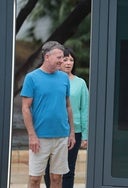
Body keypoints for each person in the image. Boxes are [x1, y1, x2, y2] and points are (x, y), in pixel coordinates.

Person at [21, 41, 76, 188]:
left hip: (61, 137)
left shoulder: (64, 78)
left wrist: (71, 133)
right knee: (34, 179)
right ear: (47, 56)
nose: (62, 60)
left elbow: (68, 106)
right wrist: (32, 135)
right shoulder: (32, 78)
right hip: (39, 138)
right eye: (59, 57)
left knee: (57, 178)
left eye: (62, 57)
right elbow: (25, 108)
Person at [44, 47, 89, 188]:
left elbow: (85, 110)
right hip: (52, 130)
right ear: (58, 61)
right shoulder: (51, 80)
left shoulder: (80, 83)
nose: (69, 63)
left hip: (74, 131)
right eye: (65, 59)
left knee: (69, 169)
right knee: (48, 169)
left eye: (71, 60)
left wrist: (85, 135)